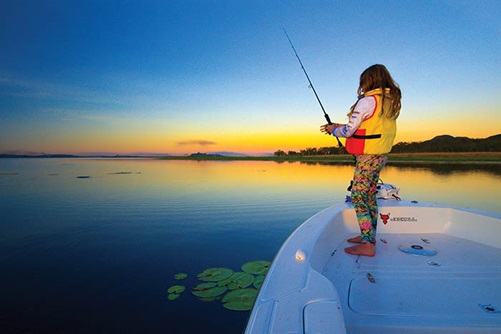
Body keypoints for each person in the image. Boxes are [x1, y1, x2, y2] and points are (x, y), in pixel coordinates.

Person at [320, 64, 401, 257]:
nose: (361, 86)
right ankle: (369, 237)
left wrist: (334, 131)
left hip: (367, 156)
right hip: (380, 155)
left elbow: (349, 131)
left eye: (362, 82)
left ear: (368, 80)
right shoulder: (389, 101)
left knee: (357, 196)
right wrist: (340, 125)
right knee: (369, 194)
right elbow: (368, 125)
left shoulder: (367, 101)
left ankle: (367, 244)